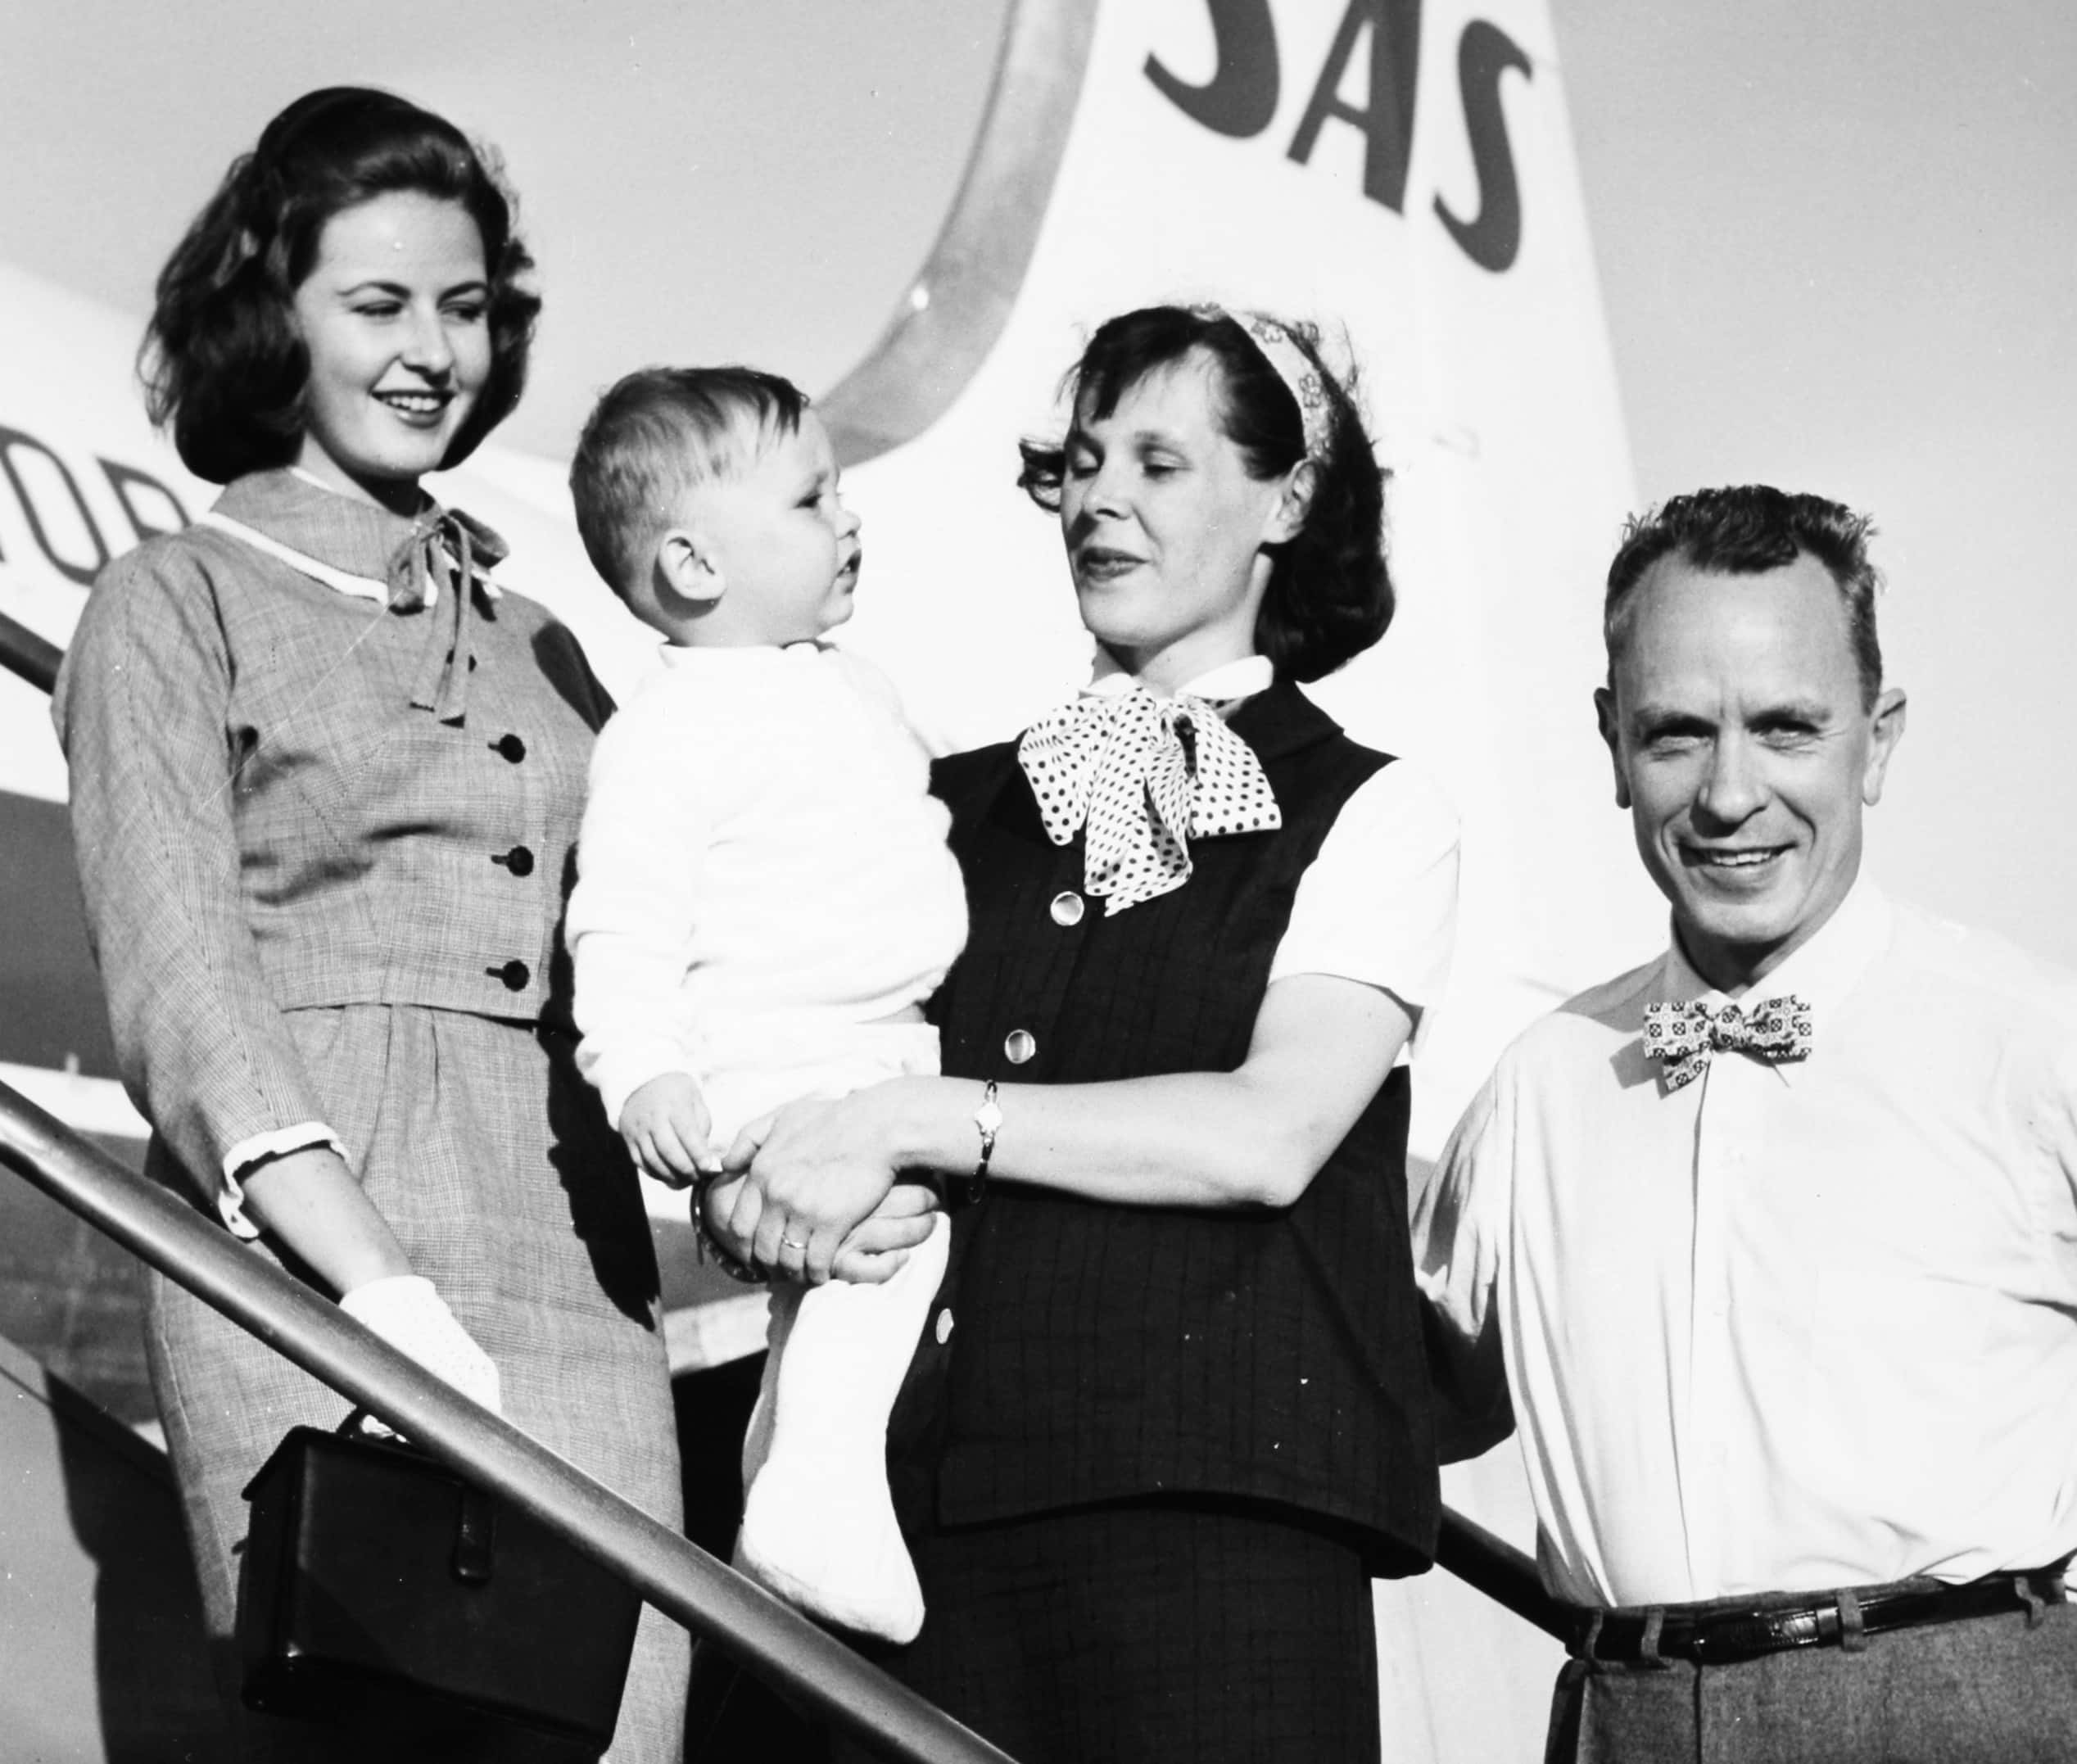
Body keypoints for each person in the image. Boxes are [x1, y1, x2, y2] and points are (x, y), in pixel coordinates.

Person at [703, 304, 1461, 1764]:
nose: (1101, 496)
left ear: (1286, 500)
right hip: (914, 1545)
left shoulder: (1370, 810)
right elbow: (800, 1057)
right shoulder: (940, 796)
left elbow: (1268, 1134)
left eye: (1163, 464)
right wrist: (760, 1194)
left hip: (1215, 1556)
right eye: (1087, 459)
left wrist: (931, 1121)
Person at [52, 88, 687, 1762]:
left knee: (616, 1736)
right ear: (277, 318)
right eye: (381, 304)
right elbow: (184, 981)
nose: (434, 352)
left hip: (579, 1275)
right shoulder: (172, 602)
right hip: (320, 1265)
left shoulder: (550, 641)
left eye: (466, 309)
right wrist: (375, 1291)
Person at [1414, 484, 2077, 1763]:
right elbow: (1398, 1404)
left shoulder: (2031, 1043)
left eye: (1785, 727)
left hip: (1974, 1715)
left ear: (1876, 740)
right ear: (1611, 743)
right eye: (1676, 733)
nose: (1730, 794)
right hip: (1628, 1717)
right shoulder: (1540, 1087)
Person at [563, 365, 966, 1643]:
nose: (848, 518)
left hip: (872, 1043)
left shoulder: (853, 687)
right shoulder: (669, 730)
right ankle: (813, 1499)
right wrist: (640, 1070)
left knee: (827, 1302)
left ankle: (776, 1484)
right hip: (775, 1058)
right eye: (809, 499)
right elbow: (620, 915)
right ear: (692, 564)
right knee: (897, 1249)